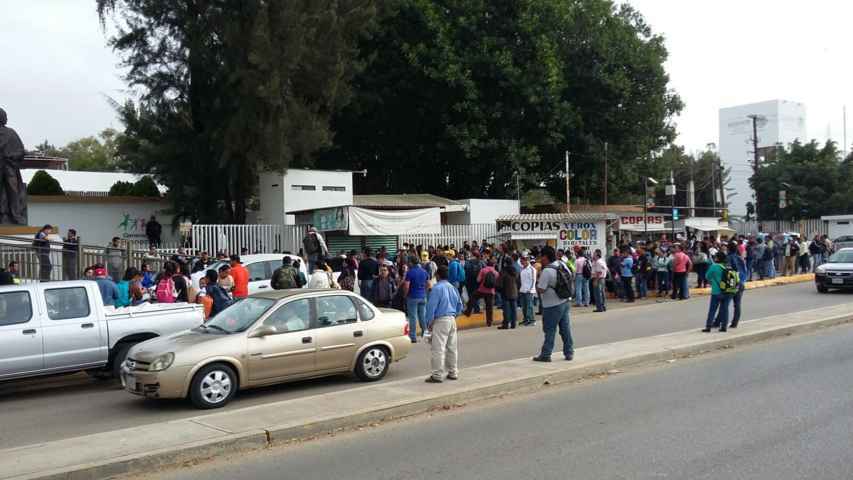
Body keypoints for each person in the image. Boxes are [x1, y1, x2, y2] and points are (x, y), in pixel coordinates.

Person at [533, 246, 574, 362]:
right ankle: (569, 352)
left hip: (551, 305)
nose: (540, 259)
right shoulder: (562, 264)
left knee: (550, 330)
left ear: (545, 257)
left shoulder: (547, 271)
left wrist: (537, 282)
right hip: (565, 301)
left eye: (541, 256)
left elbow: (541, 289)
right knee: (565, 329)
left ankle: (546, 354)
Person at [423, 265, 463, 383]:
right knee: (452, 348)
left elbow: (431, 308)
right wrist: (454, 315)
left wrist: (429, 323)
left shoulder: (437, 288)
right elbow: (460, 304)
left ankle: (437, 375)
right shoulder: (452, 287)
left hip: (441, 320)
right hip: (452, 319)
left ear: (437, 275)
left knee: (438, 349)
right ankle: (453, 372)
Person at [702, 252, 735, 332]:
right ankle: (724, 327)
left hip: (716, 291)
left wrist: (712, 281)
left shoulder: (714, 266)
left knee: (712, 310)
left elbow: (707, 276)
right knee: (725, 309)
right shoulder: (728, 266)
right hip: (728, 291)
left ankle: (708, 327)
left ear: (717, 258)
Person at [404, 256, 430, 342]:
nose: (407, 263)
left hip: (412, 297)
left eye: (408, 262)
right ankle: (425, 334)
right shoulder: (424, 271)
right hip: (422, 297)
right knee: (422, 316)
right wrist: (424, 292)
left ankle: (413, 337)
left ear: (411, 263)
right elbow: (428, 284)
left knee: (413, 317)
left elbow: (407, 286)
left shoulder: (410, 273)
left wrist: (405, 294)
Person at [465, 258, 497, 326]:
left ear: (486, 264)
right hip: (491, 291)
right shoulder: (495, 272)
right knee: (489, 307)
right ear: (493, 265)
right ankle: (489, 322)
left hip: (482, 290)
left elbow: (478, 280)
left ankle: (468, 312)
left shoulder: (483, 270)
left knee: (472, 298)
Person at [727, 243, 748, 328]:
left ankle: (719, 321)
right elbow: (745, 270)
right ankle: (735, 322)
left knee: (725, 303)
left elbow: (727, 270)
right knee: (737, 304)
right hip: (741, 282)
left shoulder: (729, 258)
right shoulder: (740, 258)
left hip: (732, 282)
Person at [497, 257, 520, 329]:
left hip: (505, 292)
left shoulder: (503, 271)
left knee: (506, 309)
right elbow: (518, 281)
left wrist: (499, 290)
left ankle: (506, 324)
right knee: (513, 308)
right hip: (514, 291)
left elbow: (500, 282)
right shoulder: (515, 270)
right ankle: (513, 324)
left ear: (505, 263)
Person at [519, 255, 537, 326]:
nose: (521, 262)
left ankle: (532, 320)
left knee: (529, 306)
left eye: (522, 261)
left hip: (529, 291)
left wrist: (531, 289)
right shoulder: (522, 269)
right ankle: (526, 319)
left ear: (526, 261)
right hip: (523, 290)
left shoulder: (532, 269)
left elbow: (533, 280)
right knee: (524, 306)